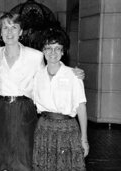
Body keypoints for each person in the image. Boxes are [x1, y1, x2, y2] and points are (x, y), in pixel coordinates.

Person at [0, 12, 85, 171]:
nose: (9, 32)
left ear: (20, 32)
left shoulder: (35, 56)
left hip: (24, 108)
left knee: (24, 155)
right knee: (1, 154)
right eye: (5, 28)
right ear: (0, 32)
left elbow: (48, 76)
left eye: (14, 27)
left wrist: (73, 73)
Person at [32, 27, 89, 171]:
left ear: (63, 52)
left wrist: (84, 139)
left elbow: (81, 108)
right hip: (44, 129)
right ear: (43, 51)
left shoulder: (73, 75)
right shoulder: (37, 76)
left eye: (57, 48)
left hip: (67, 130)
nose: (53, 52)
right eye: (48, 48)